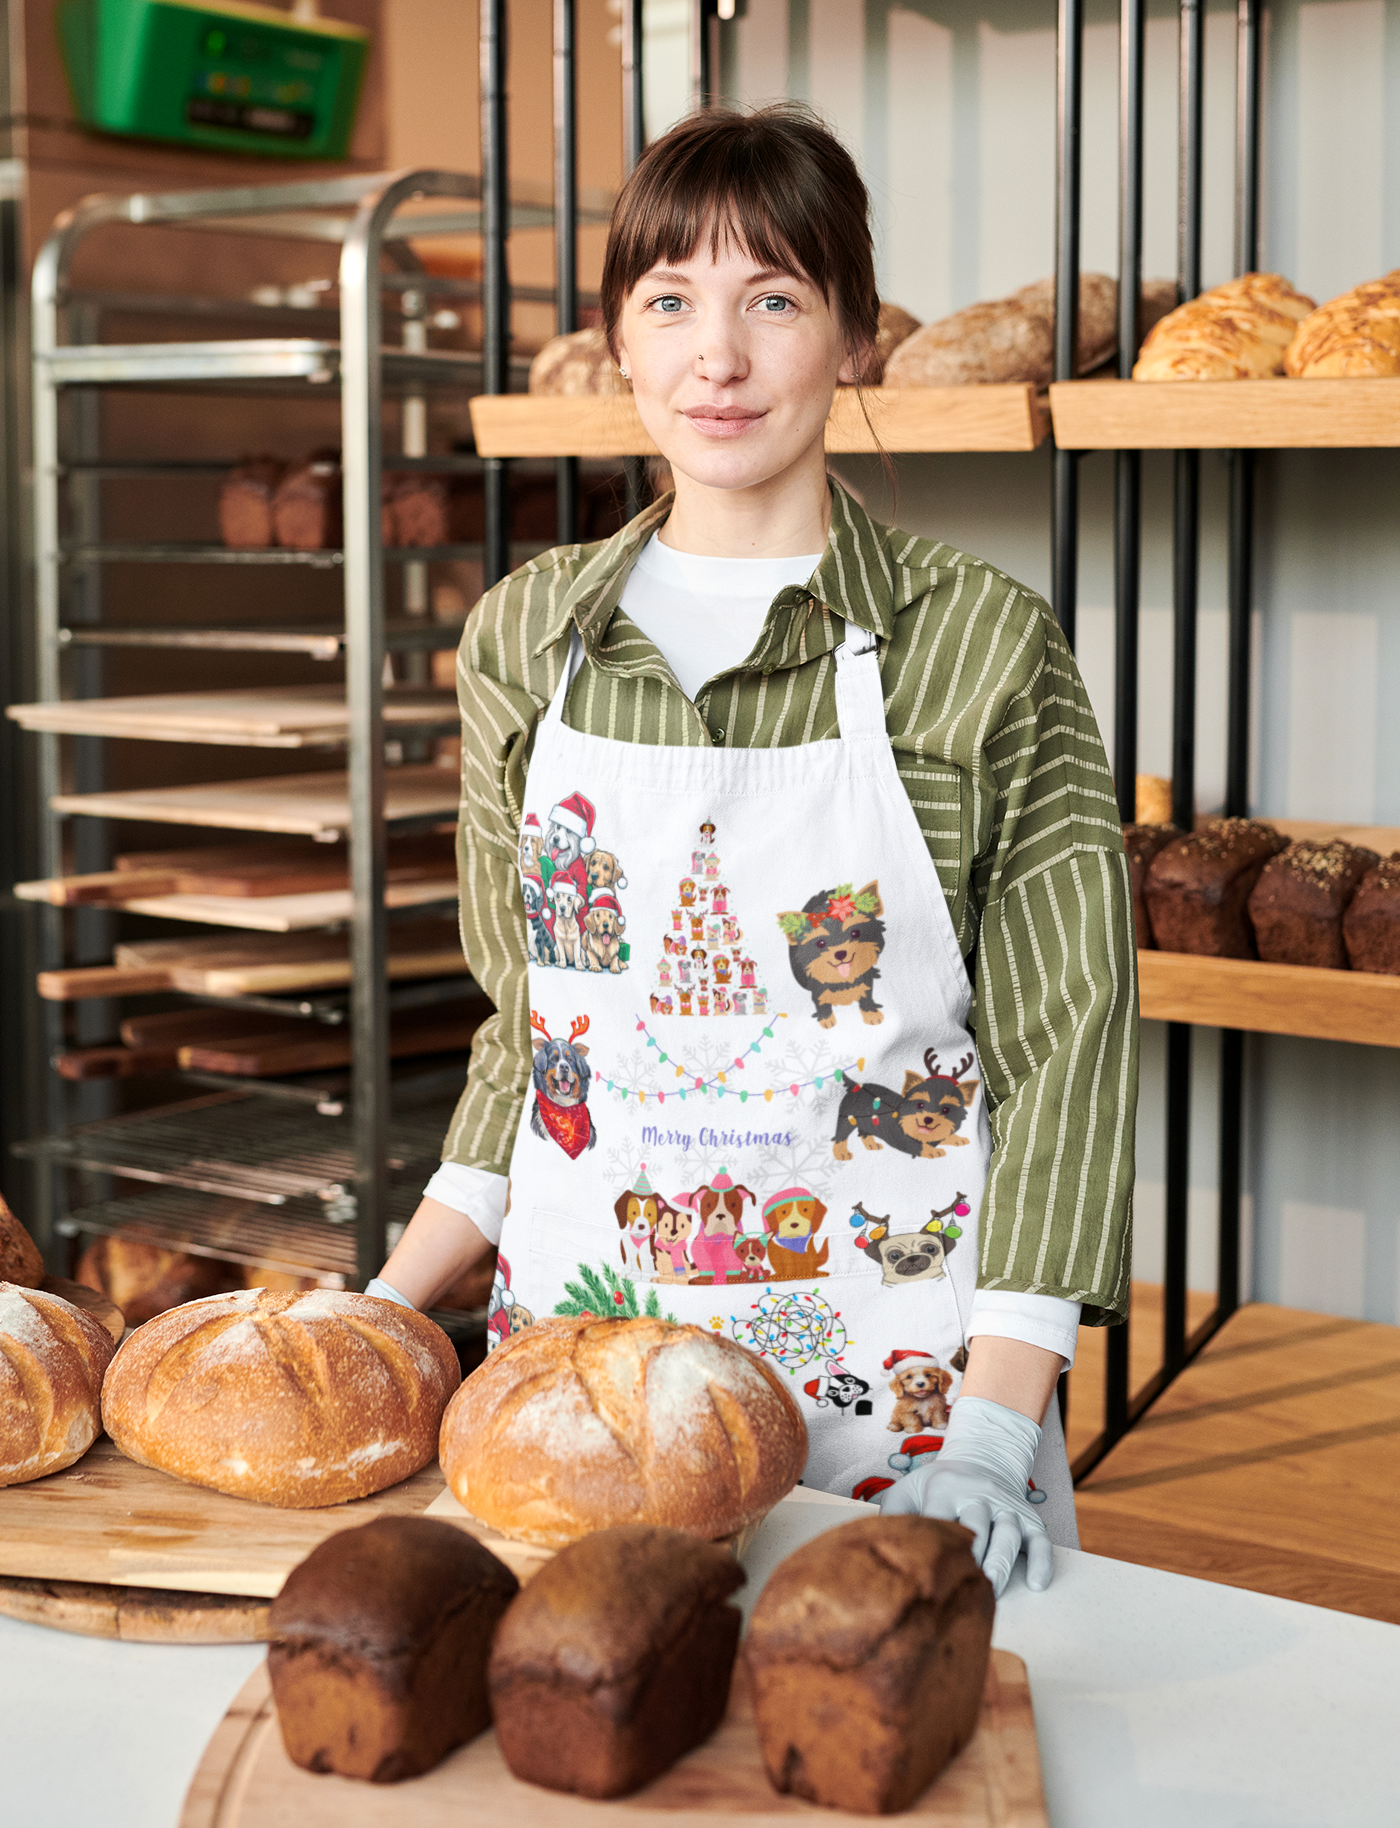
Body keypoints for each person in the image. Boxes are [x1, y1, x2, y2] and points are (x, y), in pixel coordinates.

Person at [367, 104, 1137, 1597]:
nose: (716, 357)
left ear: (853, 335)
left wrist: (992, 1427)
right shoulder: (529, 638)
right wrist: (392, 1311)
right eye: (671, 303)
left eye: (773, 299)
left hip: (907, 1406)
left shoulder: (978, 642)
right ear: (620, 340)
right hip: (581, 1393)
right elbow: (529, 1035)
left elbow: (1071, 1057)